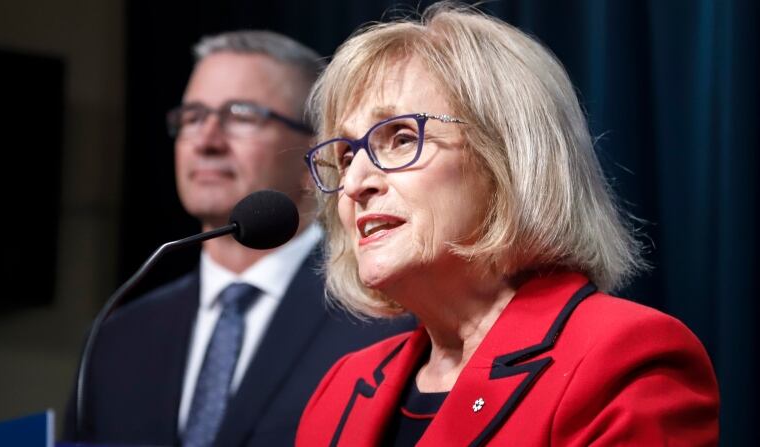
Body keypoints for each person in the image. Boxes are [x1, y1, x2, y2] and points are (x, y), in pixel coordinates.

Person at [296, 4, 720, 446]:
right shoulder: (343, 388)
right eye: (347, 156)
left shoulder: (620, 360)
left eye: (401, 138)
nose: (354, 185)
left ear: (507, 158)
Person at [63, 30, 414, 447]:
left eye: (242, 115)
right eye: (192, 117)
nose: (206, 141)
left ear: (315, 155)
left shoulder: (384, 314)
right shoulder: (118, 337)